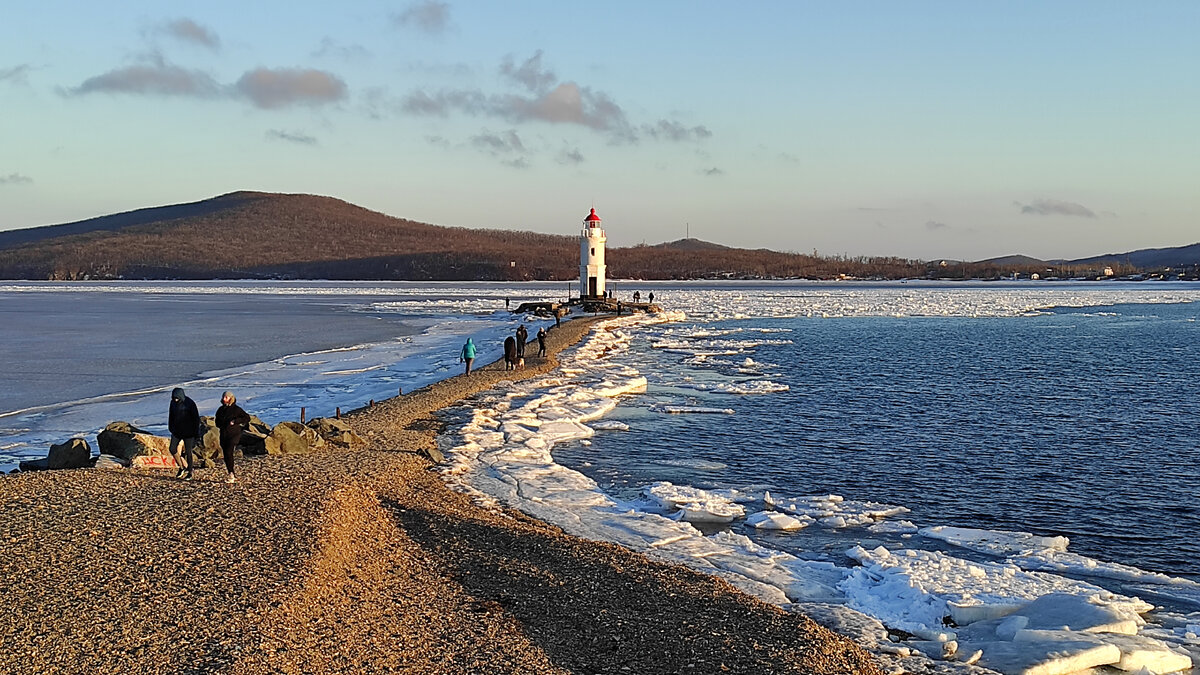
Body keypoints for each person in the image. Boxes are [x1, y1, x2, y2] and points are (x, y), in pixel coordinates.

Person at [214, 390, 250, 484]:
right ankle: (231, 472)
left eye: (226, 397)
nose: (224, 399)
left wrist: (235, 421)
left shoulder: (236, 409)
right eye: (223, 397)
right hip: (223, 434)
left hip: (234, 434)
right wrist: (222, 424)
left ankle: (231, 475)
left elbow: (246, 418)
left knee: (229, 452)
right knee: (226, 455)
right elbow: (217, 422)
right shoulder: (220, 410)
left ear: (231, 398)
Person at [167, 387, 201, 481]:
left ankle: (190, 472)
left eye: (177, 398)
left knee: (188, 452)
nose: (175, 399)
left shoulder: (190, 403)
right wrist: (171, 428)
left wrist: (196, 432)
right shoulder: (173, 403)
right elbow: (171, 416)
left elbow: (196, 418)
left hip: (189, 431)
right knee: (172, 448)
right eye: (174, 398)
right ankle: (182, 467)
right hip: (176, 431)